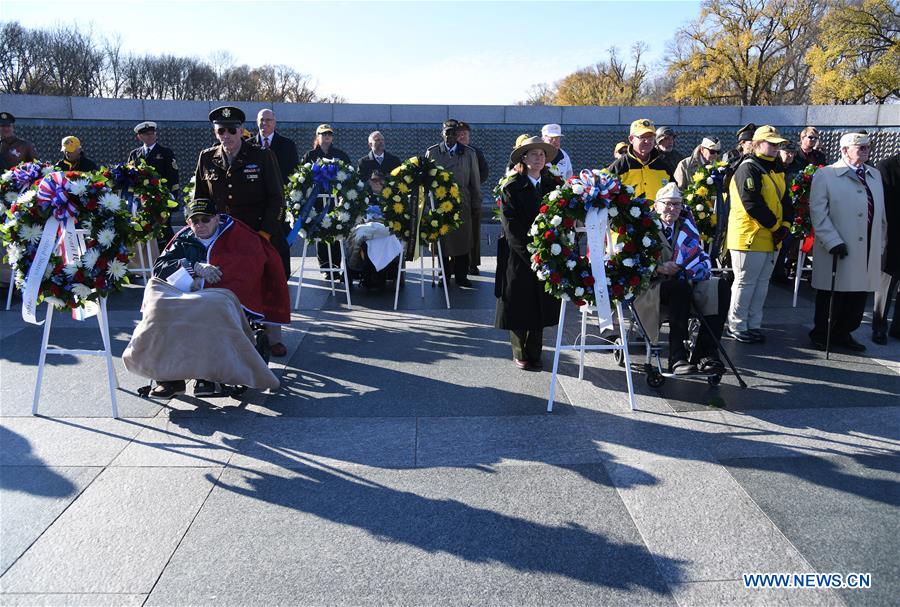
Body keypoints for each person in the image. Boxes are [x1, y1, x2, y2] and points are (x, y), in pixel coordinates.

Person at [146, 198, 289, 398]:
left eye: (205, 219)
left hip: (217, 298)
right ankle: (169, 378)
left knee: (209, 308)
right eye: (195, 221)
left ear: (217, 219)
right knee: (158, 308)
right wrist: (192, 266)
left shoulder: (238, 236)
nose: (200, 225)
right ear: (188, 223)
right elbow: (160, 267)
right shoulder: (183, 239)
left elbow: (248, 268)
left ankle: (207, 374)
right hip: (184, 295)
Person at [192, 105, 289, 357]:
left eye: (232, 130)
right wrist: (201, 229)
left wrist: (265, 234)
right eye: (221, 130)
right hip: (222, 234)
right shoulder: (206, 158)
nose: (226, 135)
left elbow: (277, 199)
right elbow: (200, 199)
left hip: (258, 231)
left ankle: (272, 335)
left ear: (241, 131)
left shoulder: (262, 156)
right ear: (215, 132)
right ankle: (227, 328)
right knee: (222, 280)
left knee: (266, 278)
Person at [636, 183, 729, 374]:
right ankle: (677, 357)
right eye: (668, 203)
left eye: (677, 204)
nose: (673, 208)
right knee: (678, 288)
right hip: (653, 285)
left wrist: (689, 268)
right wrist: (659, 268)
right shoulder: (643, 227)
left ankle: (706, 353)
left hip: (685, 279)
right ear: (657, 205)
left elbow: (700, 256)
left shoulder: (687, 227)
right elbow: (631, 262)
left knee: (719, 286)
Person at [808, 132, 887, 353]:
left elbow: (879, 213)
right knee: (833, 294)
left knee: (858, 295)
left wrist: (880, 242)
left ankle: (844, 332)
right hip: (839, 246)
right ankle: (822, 333)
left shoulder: (874, 174)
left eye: (867, 147)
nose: (865, 151)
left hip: (867, 247)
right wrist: (832, 240)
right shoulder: (826, 175)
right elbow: (818, 212)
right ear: (844, 150)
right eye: (860, 147)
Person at [495, 136, 561, 370]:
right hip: (520, 255)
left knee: (540, 304)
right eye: (533, 154)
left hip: (548, 253)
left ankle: (535, 351)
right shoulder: (511, 187)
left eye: (542, 154)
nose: (539, 158)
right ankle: (520, 351)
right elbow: (510, 225)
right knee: (519, 303)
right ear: (523, 158)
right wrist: (532, 254)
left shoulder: (554, 186)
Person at [725, 125, 793, 344]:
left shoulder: (776, 170)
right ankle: (736, 325)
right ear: (757, 144)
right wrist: (777, 226)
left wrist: (786, 225)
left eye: (777, 144)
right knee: (745, 283)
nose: (775, 148)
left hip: (771, 237)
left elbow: (785, 201)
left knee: (762, 283)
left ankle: (753, 324)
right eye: (770, 143)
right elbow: (751, 204)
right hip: (749, 236)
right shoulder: (748, 168)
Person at [425, 119, 480, 288]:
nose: (450, 136)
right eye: (447, 133)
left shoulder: (469, 153)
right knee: (443, 242)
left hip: (462, 202)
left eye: (453, 133)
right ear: (442, 134)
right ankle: (444, 274)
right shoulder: (432, 152)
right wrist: (429, 205)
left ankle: (462, 276)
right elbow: (426, 181)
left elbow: (475, 181)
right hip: (441, 204)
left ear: (458, 135)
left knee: (463, 241)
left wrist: (476, 204)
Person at [302, 124, 352, 276]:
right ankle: (325, 266)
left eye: (329, 134)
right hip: (316, 202)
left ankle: (336, 266)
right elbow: (303, 177)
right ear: (317, 136)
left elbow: (349, 176)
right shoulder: (309, 156)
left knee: (335, 232)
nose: (327, 136)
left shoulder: (340, 155)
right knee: (320, 232)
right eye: (323, 134)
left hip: (335, 201)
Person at [128, 121, 181, 246]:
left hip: (160, 199)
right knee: (144, 228)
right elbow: (130, 177)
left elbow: (173, 176)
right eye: (146, 134)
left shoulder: (165, 152)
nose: (150, 136)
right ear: (139, 137)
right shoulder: (134, 154)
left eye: (152, 133)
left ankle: (172, 252)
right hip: (141, 200)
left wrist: (171, 197)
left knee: (164, 229)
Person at [607, 118, 674, 201]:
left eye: (651, 137)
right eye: (642, 137)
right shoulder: (618, 168)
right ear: (631, 139)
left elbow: (674, 195)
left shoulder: (664, 168)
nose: (647, 141)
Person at [457, 121, 489, 276]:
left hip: (472, 197)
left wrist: (473, 184)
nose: (462, 136)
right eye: (459, 133)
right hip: (453, 198)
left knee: (473, 232)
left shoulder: (475, 152)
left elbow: (484, 172)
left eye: (465, 134)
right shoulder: (452, 152)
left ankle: (473, 263)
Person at [873, 152, 899, 344]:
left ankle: (898, 327)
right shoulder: (887, 166)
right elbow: (881, 204)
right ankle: (879, 326)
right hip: (893, 234)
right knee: (886, 283)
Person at [254, 109, 300, 185]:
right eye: (261, 120)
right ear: (257, 122)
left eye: (268, 120)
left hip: (280, 193)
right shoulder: (247, 145)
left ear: (274, 122)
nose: (264, 123)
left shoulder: (288, 145)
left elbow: (294, 171)